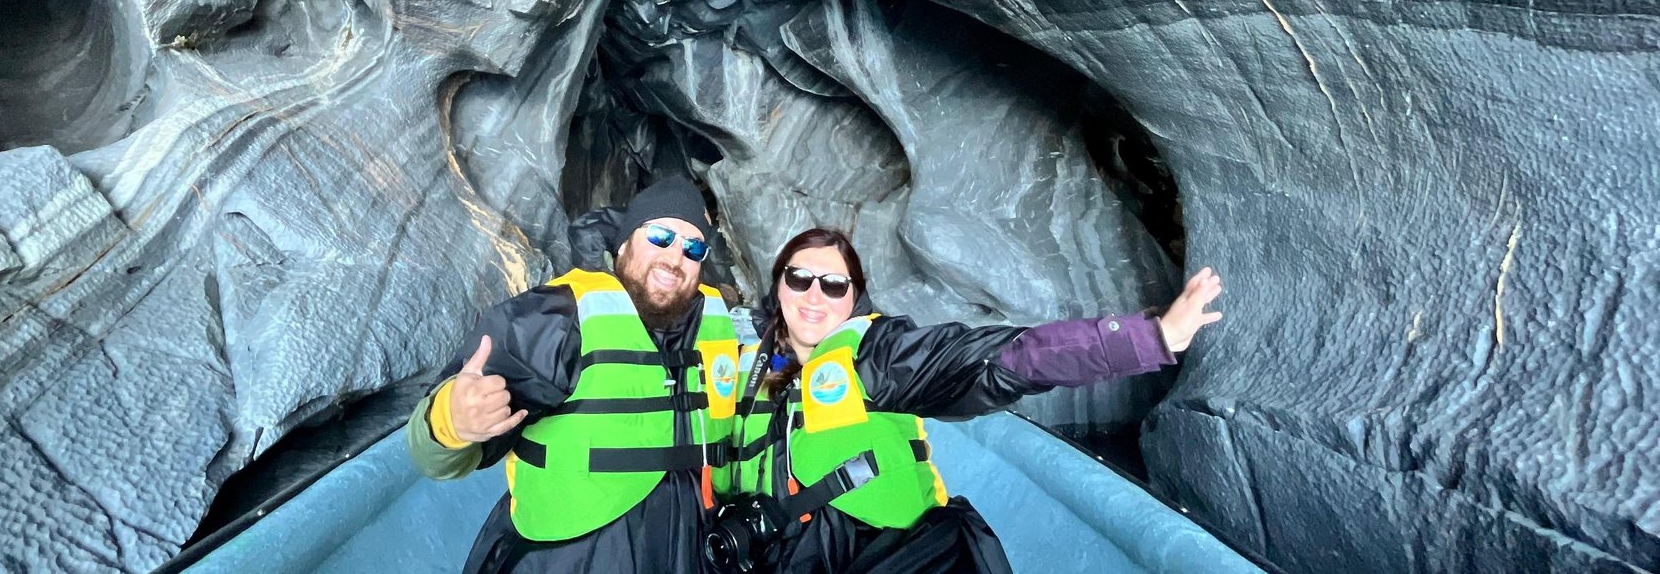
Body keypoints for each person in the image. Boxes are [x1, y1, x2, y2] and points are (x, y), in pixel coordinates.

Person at [707, 227, 1224, 573]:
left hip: (876, 556)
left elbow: (1002, 360)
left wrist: (1145, 338)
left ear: (855, 297)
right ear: (777, 286)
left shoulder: (876, 355)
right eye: (799, 278)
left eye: (834, 284)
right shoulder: (747, 368)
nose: (814, 295)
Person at [406, 179, 747, 573]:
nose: (675, 257)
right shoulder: (557, 318)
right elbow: (429, 453)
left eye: (693, 247)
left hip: (693, 552)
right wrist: (452, 420)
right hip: (572, 559)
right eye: (660, 235)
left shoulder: (714, 331)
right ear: (623, 243)